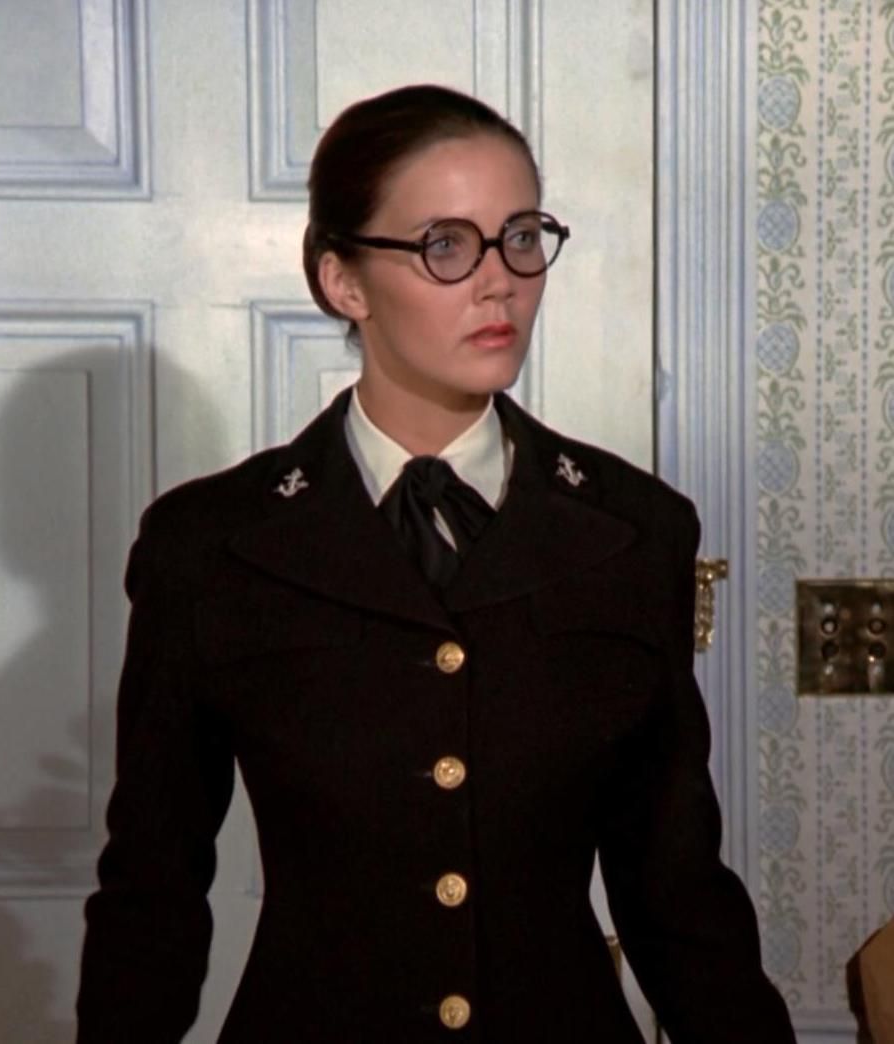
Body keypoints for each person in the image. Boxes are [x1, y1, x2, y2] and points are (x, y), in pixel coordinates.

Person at [76, 84, 795, 1043]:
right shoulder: (210, 546)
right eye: (445, 246)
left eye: (521, 237)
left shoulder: (631, 530)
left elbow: (676, 888)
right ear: (342, 281)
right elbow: (152, 891)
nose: (500, 283)